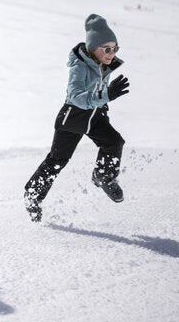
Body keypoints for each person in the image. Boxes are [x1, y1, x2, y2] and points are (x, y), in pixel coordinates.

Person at [23, 14, 131, 223]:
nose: (111, 53)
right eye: (106, 49)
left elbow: (98, 93)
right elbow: (75, 97)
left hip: (95, 116)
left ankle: (103, 175)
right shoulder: (79, 66)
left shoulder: (105, 66)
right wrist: (107, 95)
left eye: (115, 48)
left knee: (114, 142)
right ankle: (33, 196)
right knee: (57, 160)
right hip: (73, 118)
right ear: (93, 48)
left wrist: (104, 104)